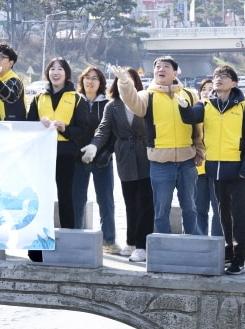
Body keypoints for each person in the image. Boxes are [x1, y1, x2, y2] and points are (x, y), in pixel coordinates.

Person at [178, 65, 245, 275]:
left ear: (234, 83)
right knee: (223, 215)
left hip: (237, 169)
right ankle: (228, 251)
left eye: (224, 76)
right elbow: (190, 117)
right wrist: (183, 106)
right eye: (216, 76)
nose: (218, 79)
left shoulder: (244, 108)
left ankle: (239, 258)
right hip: (215, 168)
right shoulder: (206, 105)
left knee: (237, 216)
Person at [116, 56, 205, 236]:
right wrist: (125, 83)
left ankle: (193, 243)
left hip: (187, 161)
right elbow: (133, 102)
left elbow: (198, 128)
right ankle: (164, 247)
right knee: (161, 210)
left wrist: (200, 151)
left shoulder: (188, 95)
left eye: (166, 66)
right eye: (157, 67)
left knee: (190, 207)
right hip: (159, 164)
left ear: (175, 72)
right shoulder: (147, 96)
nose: (160, 69)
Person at [87, 68, 152, 262]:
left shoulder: (146, 100)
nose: (126, 83)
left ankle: (142, 245)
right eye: (122, 80)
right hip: (125, 155)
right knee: (130, 201)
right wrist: (93, 145)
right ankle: (131, 241)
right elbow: (103, 129)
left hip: (145, 154)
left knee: (146, 203)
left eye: (130, 80)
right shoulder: (112, 105)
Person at [27, 58, 87, 233]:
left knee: (65, 195)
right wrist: (40, 123)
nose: (55, 72)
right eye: (52, 69)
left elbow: (82, 128)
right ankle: (38, 232)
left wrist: (65, 129)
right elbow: (29, 125)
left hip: (66, 152)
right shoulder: (39, 97)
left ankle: (68, 232)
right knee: (41, 193)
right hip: (42, 152)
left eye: (60, 69)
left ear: (66, 74)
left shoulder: (76, 98)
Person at [70, 65, 118, 254]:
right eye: (87, 77)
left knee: (105, 200)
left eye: (95, 78)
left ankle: (109, 240)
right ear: (81, 80)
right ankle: (76, 238)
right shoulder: (74, 101)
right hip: (78, 159)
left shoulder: (107, 104)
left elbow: (113, 132)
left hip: (102, 160)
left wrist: (107, 152)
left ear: (101, 83)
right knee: (77, 200)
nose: (90, 81)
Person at [192, 78, 223, 237]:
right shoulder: (195, 110)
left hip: (215, 165)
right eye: (204, 89)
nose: (207, 92)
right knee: (198, 208)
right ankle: (200, 242)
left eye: (211, 89)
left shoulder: (220, 112)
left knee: (218, 208)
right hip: (198, 167)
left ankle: (218, 242)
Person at [0, 43, 27, 121]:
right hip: (2, 128)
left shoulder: (14, 80)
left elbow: (10, 97)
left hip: (16, 129)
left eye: (2, 57)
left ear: (11, 63)